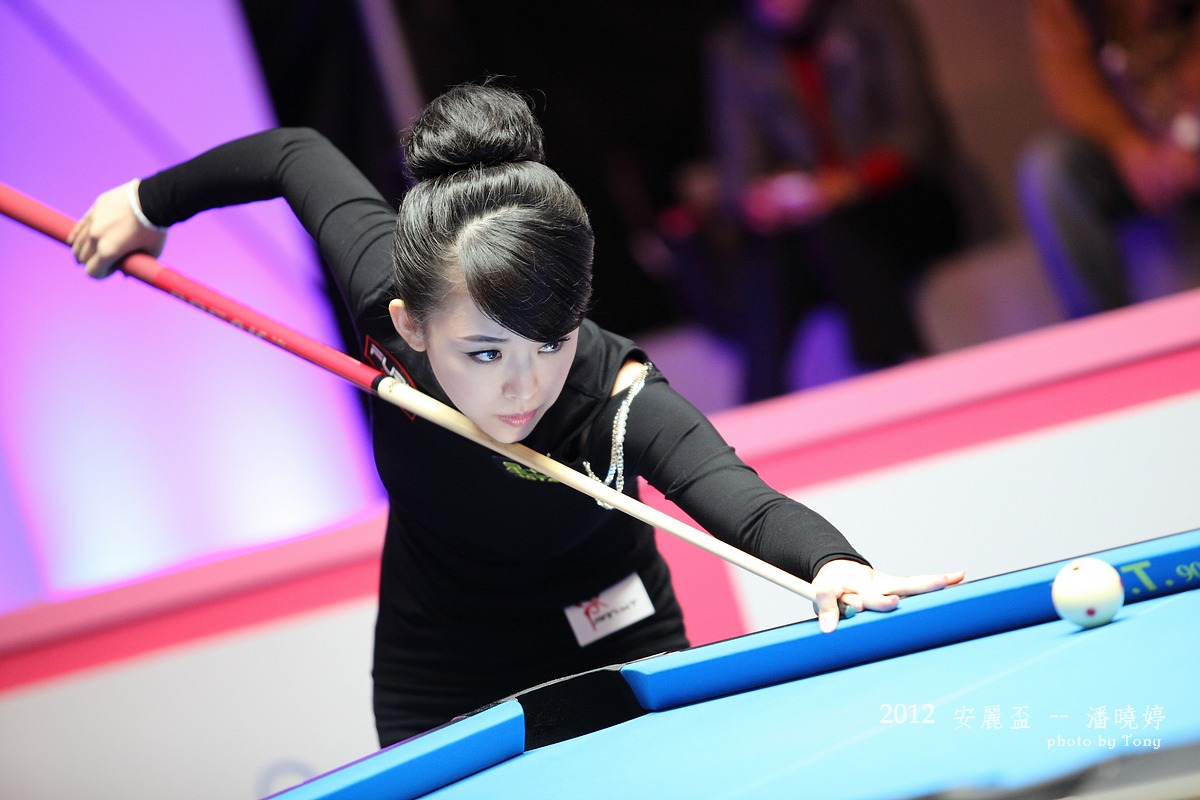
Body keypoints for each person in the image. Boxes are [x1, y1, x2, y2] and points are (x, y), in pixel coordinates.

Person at [68, 82, 963, 747]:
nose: (526, 387)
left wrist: (835, 565)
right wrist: (147, 203)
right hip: (439, 662)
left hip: (619, 636)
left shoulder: (614, 396)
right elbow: (292, 153)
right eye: (486, 354)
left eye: (551, 339)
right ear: (410, 326)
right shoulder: (391, 295)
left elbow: (742, 500)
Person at [701, 0, 966, 401]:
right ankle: (763, 402)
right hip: (809, 233)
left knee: (838, 227)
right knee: (770, 258)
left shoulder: (871, 16)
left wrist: (851, 182)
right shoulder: (736, 49)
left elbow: (917, 134)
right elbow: (740, 171)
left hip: (901, 206)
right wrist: (765, 199)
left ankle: (895, 376)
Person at [1018, 0, 1200, 319]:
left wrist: (1188, 132)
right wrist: (1127, 146)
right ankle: (1101, 329)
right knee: (1050, 167)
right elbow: (1070, 82)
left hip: (1191, 128)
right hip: (1127, 151)